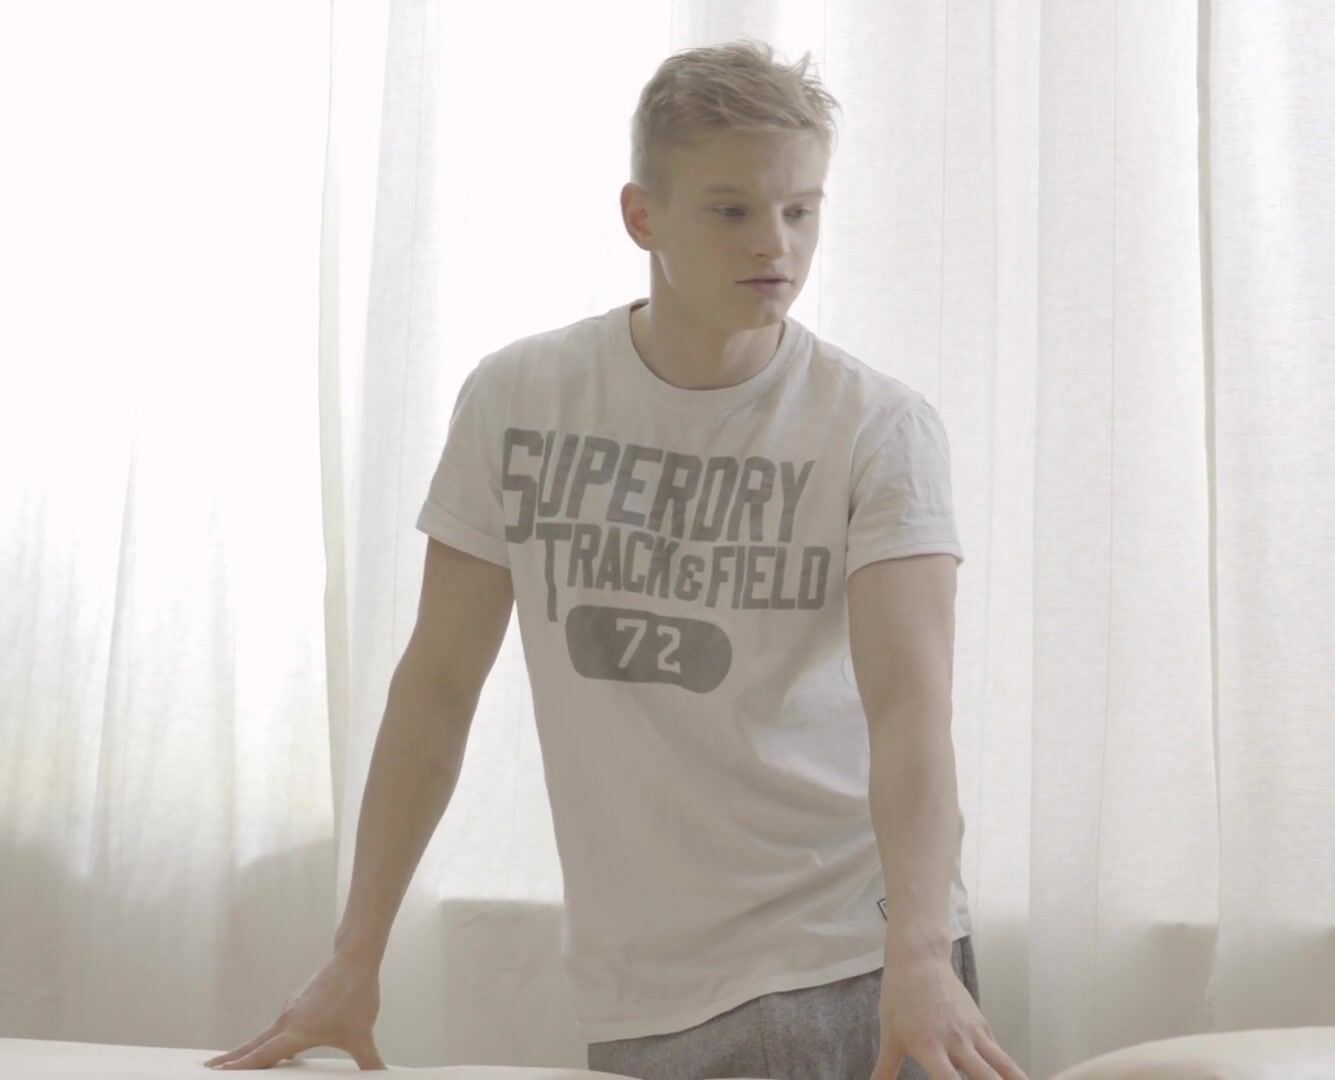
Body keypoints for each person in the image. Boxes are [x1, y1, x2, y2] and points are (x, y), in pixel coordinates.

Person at [204, 39, 1026, 1080]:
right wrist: (352, 960)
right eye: (731, 210)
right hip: (640, 987)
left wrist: (921, 957)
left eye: (800, 209)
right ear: (644, 216)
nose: (774, 243)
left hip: (849, 961)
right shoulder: (520, 399)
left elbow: (911, 709)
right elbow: (436, 689)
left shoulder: (877, 427)